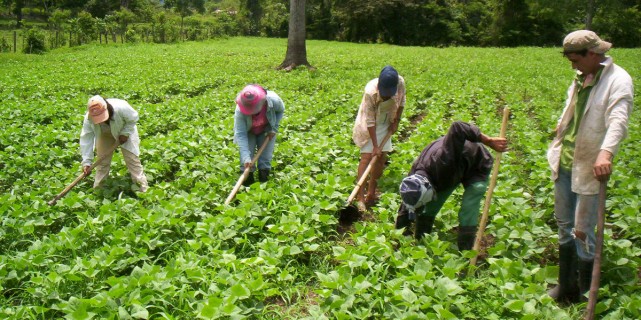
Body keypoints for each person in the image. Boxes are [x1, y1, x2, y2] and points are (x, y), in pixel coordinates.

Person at [547, 30, 633, 303]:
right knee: (564, 224)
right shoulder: (581, 76)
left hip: (590, 164)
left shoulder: (618, 81)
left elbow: (618, 120)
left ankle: (586, 294)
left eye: (576, 59)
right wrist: (561, 126)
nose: (572, 65)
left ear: (593, 54)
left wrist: (605, 154)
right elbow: (572, 108)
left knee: (582, 229)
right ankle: (566, 286)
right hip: (566, 160)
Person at [395, 121, 507, 250]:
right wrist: (399, 238)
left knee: (470, 203)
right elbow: (408, 206)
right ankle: (421, 238)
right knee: (431, 206)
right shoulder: (412, 182)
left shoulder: (443, 160)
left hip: (476, 161)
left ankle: (466, 249)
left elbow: (458, 127)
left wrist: (488, 141)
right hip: (450, 172)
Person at [352, 65, 406, 209]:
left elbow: (401, 103)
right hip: (370, 123)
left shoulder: (400, 83)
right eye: (384, 93)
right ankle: (360, 197)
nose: (387, 96)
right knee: (366, 158)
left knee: (381, 158)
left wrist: (397, 121)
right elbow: (370, 121)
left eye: (389, 93)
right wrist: (375, 145)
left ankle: (371, 193)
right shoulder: (370, 91)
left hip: (387, 120)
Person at [80, 95, 148, 192]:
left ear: (106, 107)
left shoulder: (121, 107)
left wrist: (125, 133)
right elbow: (86, 139)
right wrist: (87, 162)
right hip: (104, 133)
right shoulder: (89, 118)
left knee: (132, 160)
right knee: (102, 162)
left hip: (124, 129)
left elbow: (133, 118)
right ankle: (99, 190)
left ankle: (143, 189)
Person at [233, 84, 285, 185]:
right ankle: (248, 183)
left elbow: (280, 110)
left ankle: (264, 181)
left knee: (265, 156)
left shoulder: (273, 100)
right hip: (249, 132)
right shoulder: (240, 109)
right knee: (246, 159)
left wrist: (273, 128)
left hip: (266, 129)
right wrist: (246, 158)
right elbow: (241, 134)